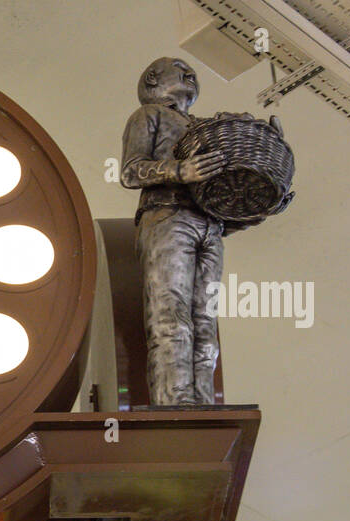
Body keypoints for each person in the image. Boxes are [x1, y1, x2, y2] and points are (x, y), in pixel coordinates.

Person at [120, 57, 226, 406]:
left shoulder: (203, 128)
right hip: (166, 214)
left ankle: (204, 403)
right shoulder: (149, 115)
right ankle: (176, 404)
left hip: (208, 222)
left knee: (206, 326)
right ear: (153, 78)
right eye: (179, 67)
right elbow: (131, 172)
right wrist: (180, 170)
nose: (191, 73)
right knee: (172, 316)